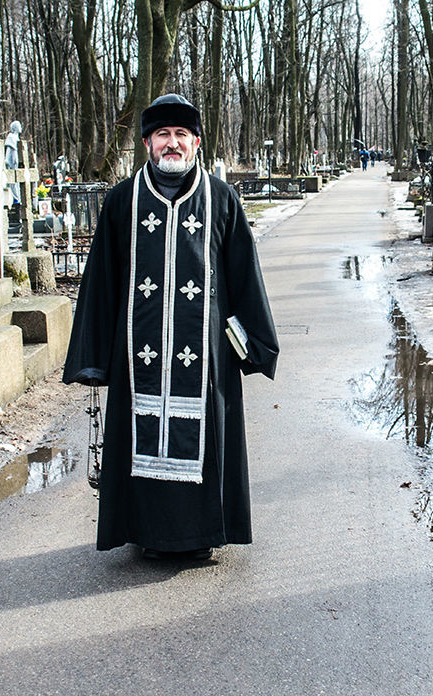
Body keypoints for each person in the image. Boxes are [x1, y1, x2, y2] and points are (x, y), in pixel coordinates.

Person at [63, 93, 279, 561]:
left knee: (206, 437)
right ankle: (146, 533)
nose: (172, 143)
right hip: (136, 359)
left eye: (181, 134)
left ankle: (202, 535)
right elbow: (101, 282)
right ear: (147, 144)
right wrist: (93, 360)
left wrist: (253, 345)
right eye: (163, 134)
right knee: (139, 435)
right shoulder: (122, 202)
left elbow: (244, 275)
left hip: (206, 358)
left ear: (197, 142)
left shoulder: (221, 199)